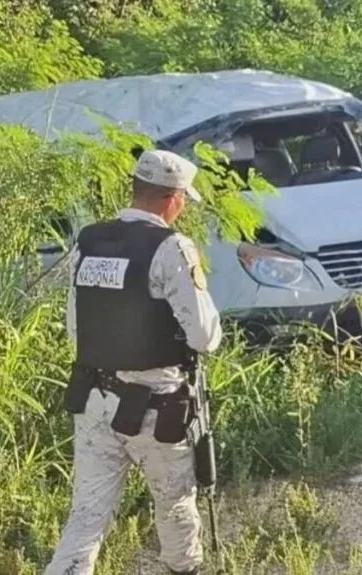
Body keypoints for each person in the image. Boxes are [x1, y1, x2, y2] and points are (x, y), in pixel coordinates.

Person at [44, 149, 223, 575]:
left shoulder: (90, 241)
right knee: (175, 504)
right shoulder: (171, 248)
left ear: (135, 189)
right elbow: (203, 336)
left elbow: (76, 328)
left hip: (93, 400)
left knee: (86, 515)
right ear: (173, 198)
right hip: (156, 408)